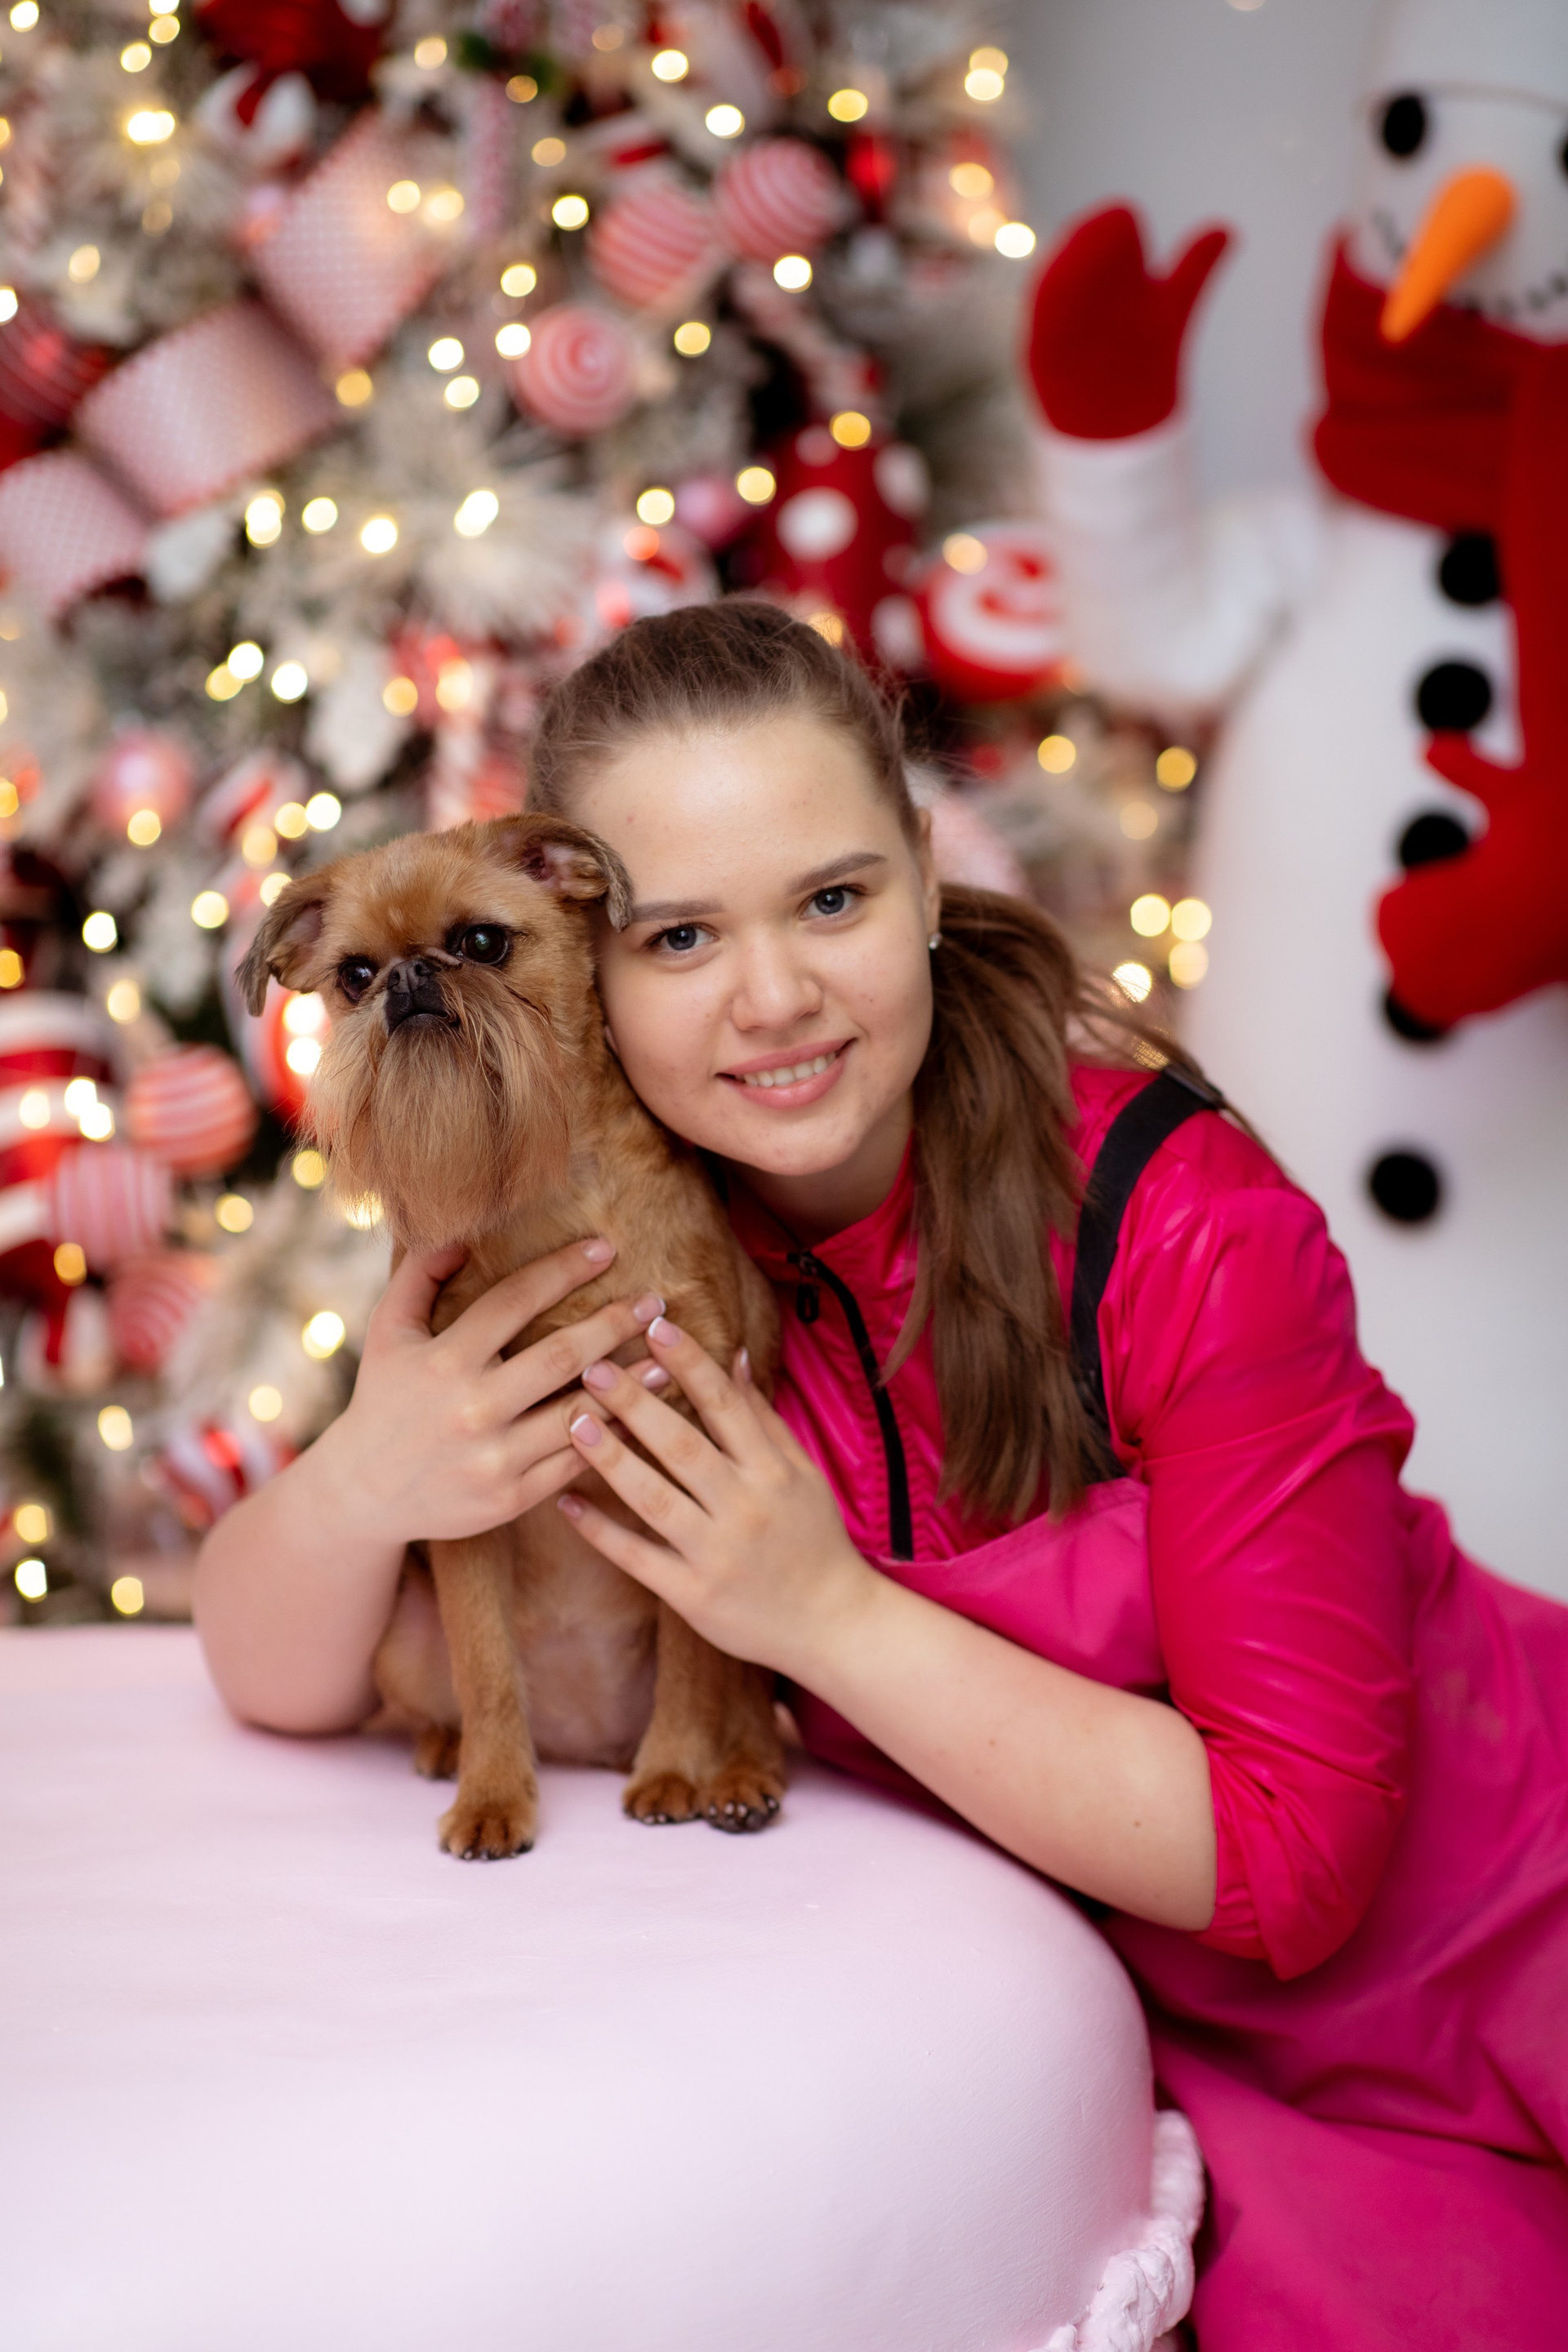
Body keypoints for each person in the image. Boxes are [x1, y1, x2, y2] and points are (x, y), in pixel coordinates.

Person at [196, 602, 1568, 2350]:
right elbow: (272, 1674)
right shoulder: (626, 1242)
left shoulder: (1183, 1224)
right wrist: (362, 1486)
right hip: (1142, 2055)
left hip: (1495, 1950)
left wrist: (822, 1614)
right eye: (681, 936)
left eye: (833, 900)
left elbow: (1296, 1858)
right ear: (585, 960)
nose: (772, 997)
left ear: (925, 876)